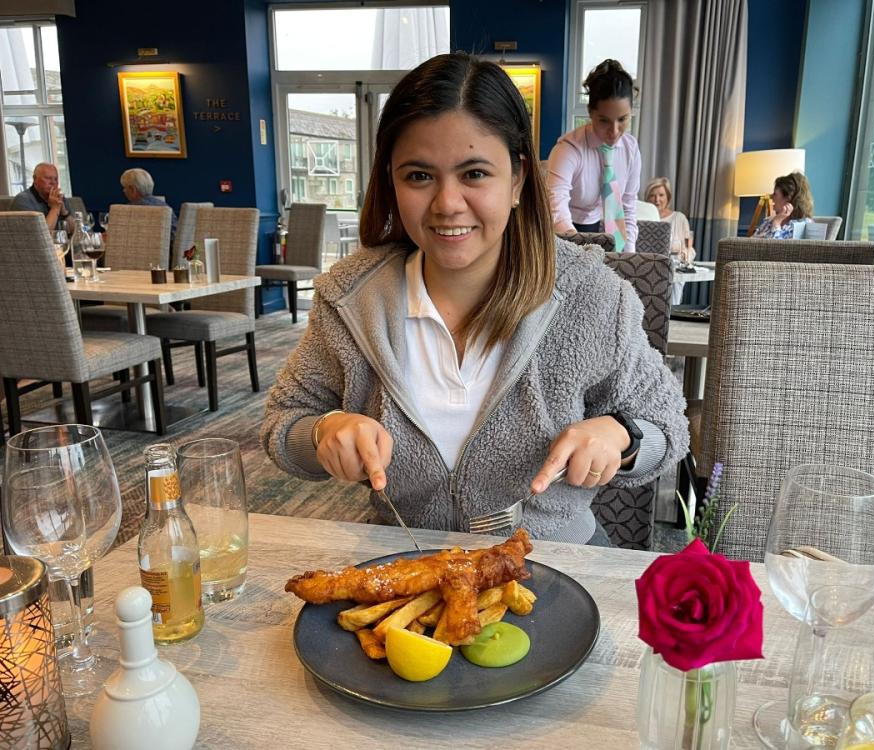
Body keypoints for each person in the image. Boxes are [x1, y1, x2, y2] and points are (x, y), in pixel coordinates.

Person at [260, 53, 688, 546]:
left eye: (475, 174)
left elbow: (668, 424)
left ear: (518, 179)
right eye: (419, 176)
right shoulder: (349, 297)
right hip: (410, 563)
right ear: (391, 181)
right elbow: (282, 420)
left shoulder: (590, 294)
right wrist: (325, 431)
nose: (447, 203)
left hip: (553, 562)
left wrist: (620, 436)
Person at [546, 60, 640, 253]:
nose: (614, 131)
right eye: (604, 121)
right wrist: (577, 253)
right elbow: (556, 206)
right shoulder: (568, 149)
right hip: (560, 231)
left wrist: (628, 257)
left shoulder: (630, 149)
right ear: (590, 113)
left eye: (622, 119)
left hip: (599, 226)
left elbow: (628, 206)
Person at [119, 168, 177, 241]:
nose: (123, 191)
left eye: (125, 187)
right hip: (169, 246)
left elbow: (119, 235)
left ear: (133, 189)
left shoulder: (131, 209)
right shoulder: (164, 205)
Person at [644, 177, 694, 262]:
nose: (657, 199)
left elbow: (688, 250)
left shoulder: (680, 218)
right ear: (647, 199)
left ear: (668, 197)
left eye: (661, 195)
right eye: (652, 195)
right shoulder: (642, 219)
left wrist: (682, 259)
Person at [753, 172, 814, 239]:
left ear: (788, 198)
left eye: (775, 194)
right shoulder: (769, 220)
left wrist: (776, 223)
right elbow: (751, 242)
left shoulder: (802, 226)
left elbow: (775, 245)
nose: (771, 197)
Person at [11, 162, 71, 231]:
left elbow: (75, 230)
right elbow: (41, 234)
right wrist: (55, 208)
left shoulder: (59, 198)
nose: (53, 182)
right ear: (35, 179)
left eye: (56, 179)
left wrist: (64, 212)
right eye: (48, 178)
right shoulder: (22, 200)